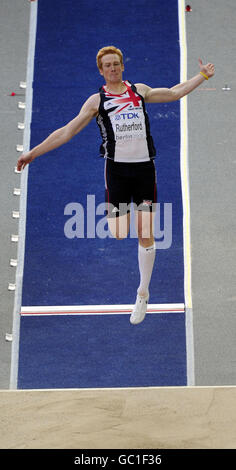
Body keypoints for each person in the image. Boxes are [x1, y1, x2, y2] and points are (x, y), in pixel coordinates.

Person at [17, 46, 215, 325]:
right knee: (120, 233)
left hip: (145, 170)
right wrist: (32, 153)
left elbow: (173, 93)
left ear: (122, 66)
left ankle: (143, 293)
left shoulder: (139, 91)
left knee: (145, 233)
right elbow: (67, 131)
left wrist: (202, 76)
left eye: (116, 64)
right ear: (101, 71)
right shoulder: (96, 102)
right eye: (107, 65)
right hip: (117, 174)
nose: (113, 68)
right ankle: (127, 220)